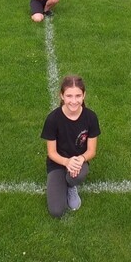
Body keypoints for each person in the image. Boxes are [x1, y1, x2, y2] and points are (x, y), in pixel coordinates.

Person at [41, 75, 100, 218]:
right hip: (58, 163)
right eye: (69, 96)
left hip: (78, 162)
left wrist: (81, 159)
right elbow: (51, 152)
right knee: (56, 211)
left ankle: (71, 186)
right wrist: (67, 162)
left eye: (78, 96)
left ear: (84, 95)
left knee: (78, 174)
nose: (74, 101)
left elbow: (92, 151)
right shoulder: (52, 119)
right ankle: (62, 181)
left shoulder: (90, 117)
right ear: (62, 96)